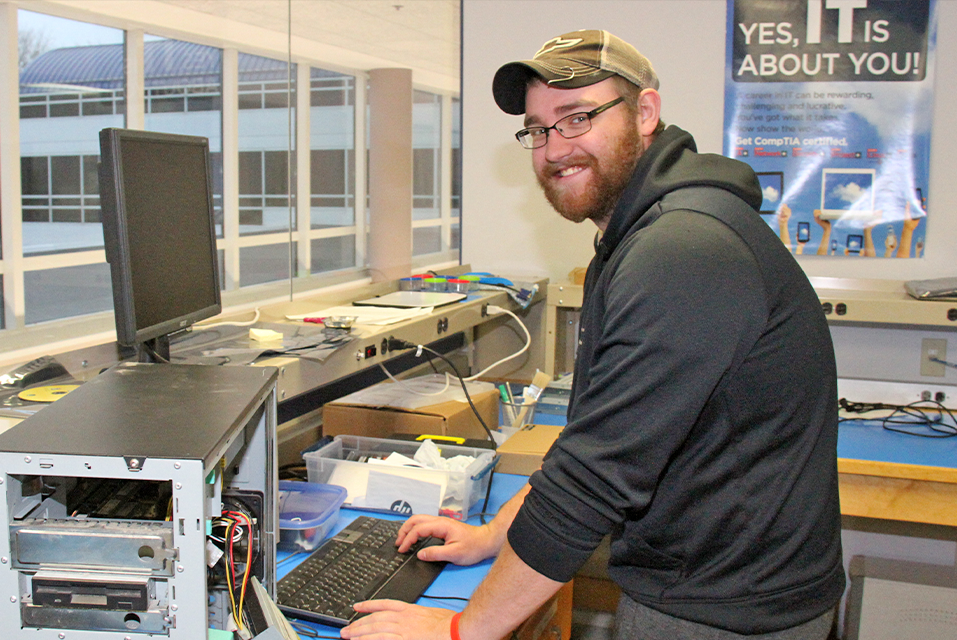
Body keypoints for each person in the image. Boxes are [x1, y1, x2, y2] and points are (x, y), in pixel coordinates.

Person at [341, 29, 845, 640]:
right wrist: (490, 537)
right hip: (712, 582)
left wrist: (460, 632)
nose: (554, 148)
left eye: (577, 117)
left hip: (721, 609)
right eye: (538, 129)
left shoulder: (684, 249)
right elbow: (598, 437)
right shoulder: (644, 233)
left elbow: (597, 476)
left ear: (646, 113)